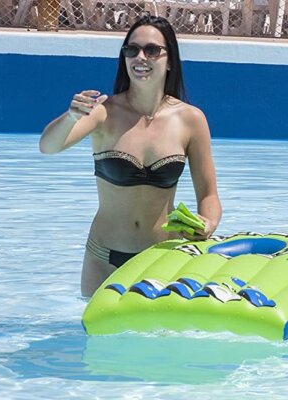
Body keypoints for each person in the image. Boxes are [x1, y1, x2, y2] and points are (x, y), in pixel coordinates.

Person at [39, 15, 222, 297]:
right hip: (105, 257)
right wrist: (70, 116)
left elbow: (208, 196)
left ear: (170, 59)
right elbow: (48, 147)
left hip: (163, 257)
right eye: (131, 49)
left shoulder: (190, 120)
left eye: (151, 50)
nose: (140, 57)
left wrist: (207, 224)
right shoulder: (104, 112)